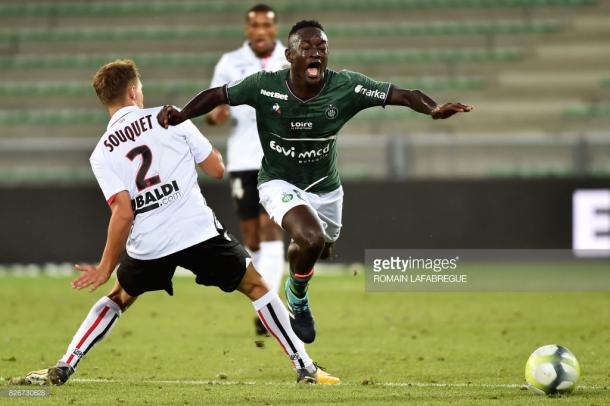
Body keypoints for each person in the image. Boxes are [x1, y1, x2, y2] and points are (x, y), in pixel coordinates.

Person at [14, 59, 339, 386]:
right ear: (132, 91)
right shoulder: (168, 117)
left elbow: (123, 212)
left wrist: (105, 265)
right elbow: (215, 169)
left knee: (118, 297)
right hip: (196, 231)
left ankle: (66, 364)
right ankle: (305, 367)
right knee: (256, 286)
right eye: (139, 87)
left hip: (149, 243)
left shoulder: (101, 153)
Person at [157, 20, 473, 344]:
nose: (315, 54)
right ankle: (298, 298)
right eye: (306, 48)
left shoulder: (346, 86)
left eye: (321, 48)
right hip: (278, 183)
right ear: (289, 55)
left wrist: (433, 109)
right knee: (310, 238)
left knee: (319, 246)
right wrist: (182, 114)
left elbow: (403, 95)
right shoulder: (264, 86)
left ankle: (299, 274)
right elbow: (218, 94)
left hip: (326, 189)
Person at [207, 4, 288, 336]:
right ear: (247, 29)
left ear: (275, 28)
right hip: (242, 159)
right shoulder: (230, 62)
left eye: (266, 25)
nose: (260, 31)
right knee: (252, 238)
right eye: (254, 25)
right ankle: (266, 300)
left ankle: (267, 308)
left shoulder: (290, 58)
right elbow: (211, 110)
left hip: (279, 158)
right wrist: (217, 115)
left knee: (271, 230)